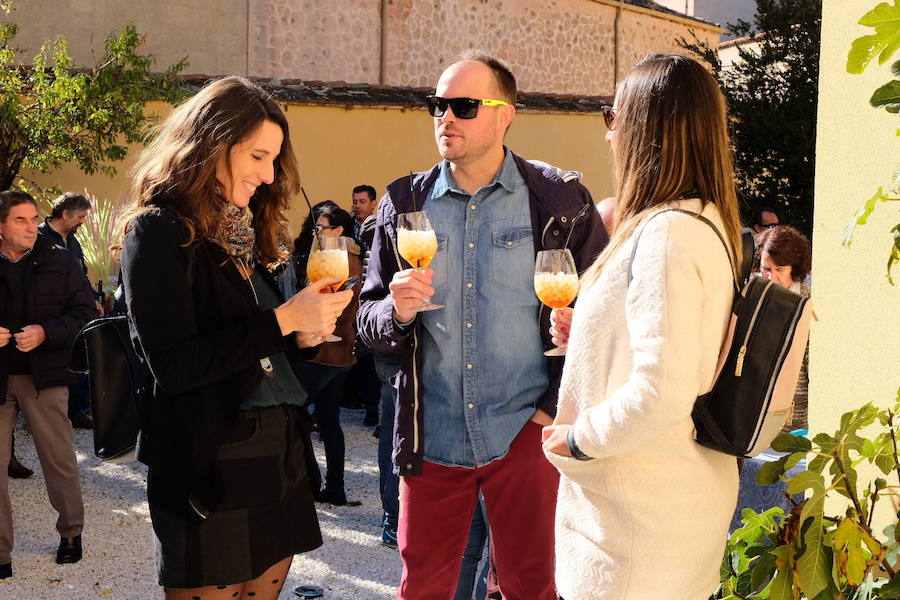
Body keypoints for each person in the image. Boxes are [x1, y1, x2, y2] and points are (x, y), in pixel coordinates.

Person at [357, 51, 608, 598]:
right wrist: (395, 311)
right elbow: (367, 319)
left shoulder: (561, 202)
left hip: (525, 430)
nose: (445, 117)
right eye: (438, 105)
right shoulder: (403, 202)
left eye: (463, 106)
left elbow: (605, 320)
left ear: (505, 114)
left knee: (531, 586)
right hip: (433, 434)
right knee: (421, 588)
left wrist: (551, 411)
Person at [118, 76, 352, 600]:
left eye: (274, 160)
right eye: (257, 157)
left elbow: (250, 343)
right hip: (211, 457)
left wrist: (302, 337)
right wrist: (284, 322)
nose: (268, 176)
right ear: (211, 144)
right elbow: (175, 366)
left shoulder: (239, 231)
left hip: (279, 452)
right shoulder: (157, 231)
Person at [541, 54, 743, 599]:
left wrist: (577, 439)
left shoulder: (667, 235)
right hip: (659, 508)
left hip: (637, 526)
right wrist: (590, 334)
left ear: (646, 128)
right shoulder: (700, 222)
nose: (609, 136)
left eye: (614, 117)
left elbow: (662, 389)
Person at [0, 190, 96, 579]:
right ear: (1, 227)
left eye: (33, 218)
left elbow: (86, 313)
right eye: (20, 220)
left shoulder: (62, 261)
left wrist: (45, 332)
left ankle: (71, 533)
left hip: (45, 378)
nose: (30, 227)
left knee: (58, 461)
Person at [295, 204, 362, 506]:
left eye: (322, 228)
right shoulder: (354, 256)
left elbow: (328, 304)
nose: (317, 232)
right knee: (329, 419)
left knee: (292, 414)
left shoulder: (339, 259)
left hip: (323, 350)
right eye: (316, 228)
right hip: (342, 352)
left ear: (339, 231)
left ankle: (309, 483)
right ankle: (334, 487)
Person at [39, 191, 96, 430]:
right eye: (80, 217)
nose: (83, 222)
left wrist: (92, 300)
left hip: (74, 315)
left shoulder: (72, 240)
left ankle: (75, 411)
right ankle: (43, 417)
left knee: (76, 362)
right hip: (48, 315)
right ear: (65, 214)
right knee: (52, 367)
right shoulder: (38, 237)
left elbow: (80, 275)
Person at [755, 225, 812, 431]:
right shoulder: (753, 294)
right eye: (766, 269)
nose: (771, 277)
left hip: (793, 417)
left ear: (794, 268)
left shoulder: (807, 302)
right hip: (753, 408)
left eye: (779, 270)